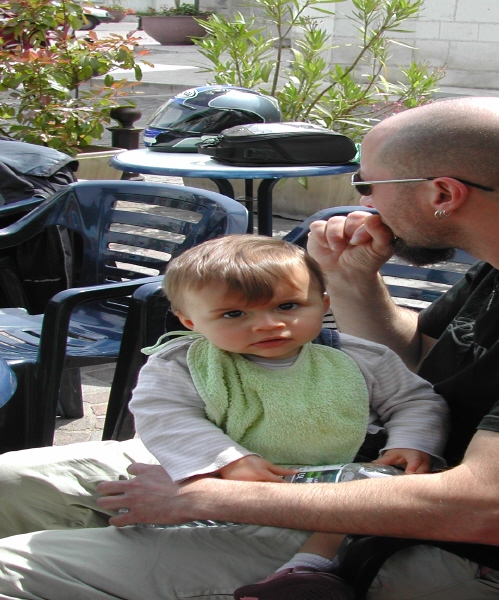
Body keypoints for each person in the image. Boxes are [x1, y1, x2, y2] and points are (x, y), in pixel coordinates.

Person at [0, 96, 499, 600]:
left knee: (16, 569)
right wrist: (352, 281)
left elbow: (491, 510)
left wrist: (204, 497)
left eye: (369, 185)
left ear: (442, 194)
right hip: (353, 471)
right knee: (8, 486)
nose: (362, 202)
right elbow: (421, 365)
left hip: (479, 559)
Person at [129, 234, 448, 598]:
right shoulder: (184, 365)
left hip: (338, 483)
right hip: (234, 484)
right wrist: (229, 459)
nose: (268, 324)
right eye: (234, 314)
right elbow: (165, 416)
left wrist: (411, 442)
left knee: (371, 496)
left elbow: (414, 400)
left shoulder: (361, 357)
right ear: (190, 321)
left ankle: (305, 571)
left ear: (323, 303)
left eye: (287, 306)